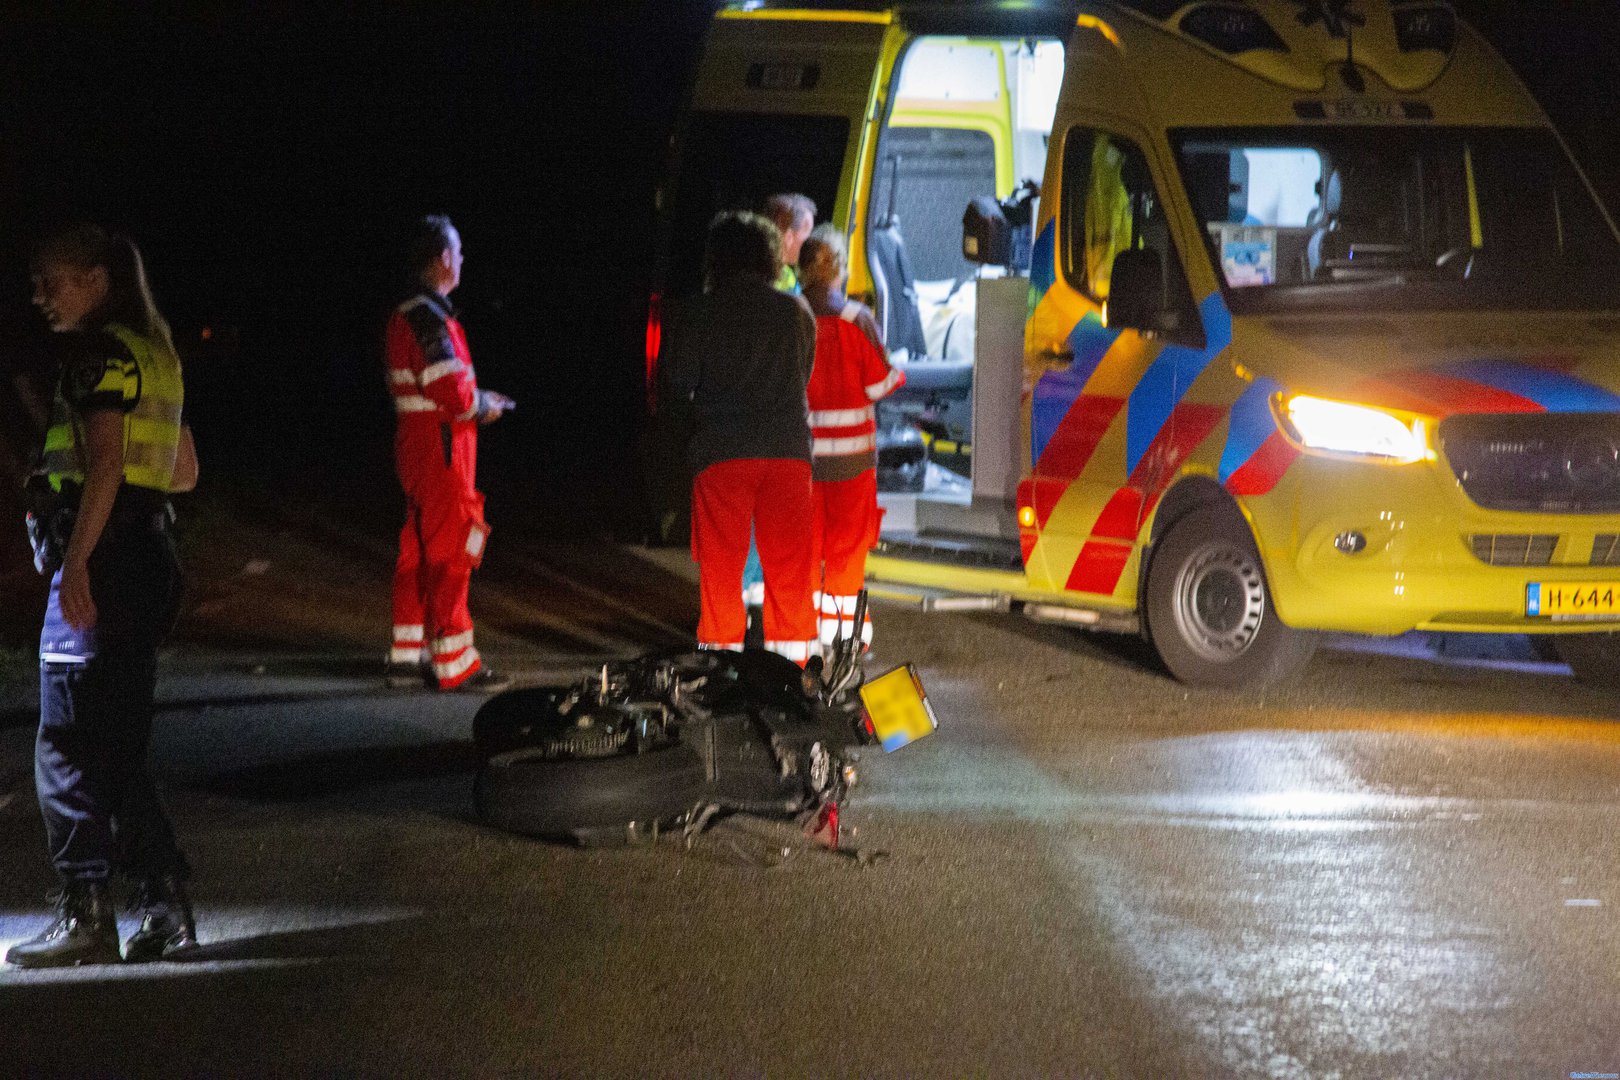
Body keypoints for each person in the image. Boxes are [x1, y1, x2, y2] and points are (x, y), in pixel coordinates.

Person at [7, 224, 198, 967]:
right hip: (149, 559)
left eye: (50, 280)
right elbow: (183, 469)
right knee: (114, 745)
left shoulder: (98, 356)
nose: (39, 296)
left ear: (96, 280)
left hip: (103, 563)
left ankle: (87, 912)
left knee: (64, 743)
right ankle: (163, 905)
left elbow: (109, 465)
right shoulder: (157, 354)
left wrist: (78, 560)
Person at [659, 211, 819, 664]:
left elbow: (679, 381)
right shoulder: (795, 312)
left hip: (723, 454)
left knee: (722, 572)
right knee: (789, 571)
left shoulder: (698, 313)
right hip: (787, 453)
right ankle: (795, 671)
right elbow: (803, 374)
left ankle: (720, 667)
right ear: (770, 259)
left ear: (717, 258)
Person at [385, 215, 514, 692]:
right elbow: (452, 391)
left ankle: (407, 654)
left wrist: (475, 399)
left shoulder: (412, 314)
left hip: (421, 446)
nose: (461, 260)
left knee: (417, 551)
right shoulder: (428, 318)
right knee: (451, 552)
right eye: (457, 252)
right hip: (441, 450)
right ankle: (455, 662)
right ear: (443, 258)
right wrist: (484, 405)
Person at [798, 224, 903, 649]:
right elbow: (881, 386)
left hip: (801, 464)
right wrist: (898, 371)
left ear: (803, 271)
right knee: (846, 550)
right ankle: (843, 637)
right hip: (852, 465)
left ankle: (800, 635)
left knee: (805, 551)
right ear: (839, 269)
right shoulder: (858, 320)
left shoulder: (789, 317)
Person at [764, 193, 816, 295]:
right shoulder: (785, 281)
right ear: (788, 235)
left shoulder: (787, 274)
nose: (810, 241)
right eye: (807, 231)